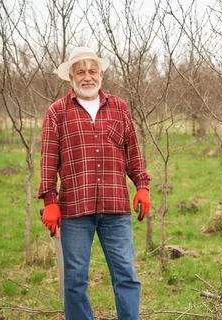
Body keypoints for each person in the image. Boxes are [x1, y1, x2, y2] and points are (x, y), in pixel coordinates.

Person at [38, 46, 151, 320]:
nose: (87, 77)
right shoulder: (57, 112)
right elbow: (48, 160)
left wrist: (142, 186)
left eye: (92, 71)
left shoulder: (119, 107)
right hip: (75, 210)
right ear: (71, 77)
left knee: (126, 275)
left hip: (115, 209)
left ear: (100, 74)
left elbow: (132, 152)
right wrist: (50, 202)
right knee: (75, 281)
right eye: (81, 72)